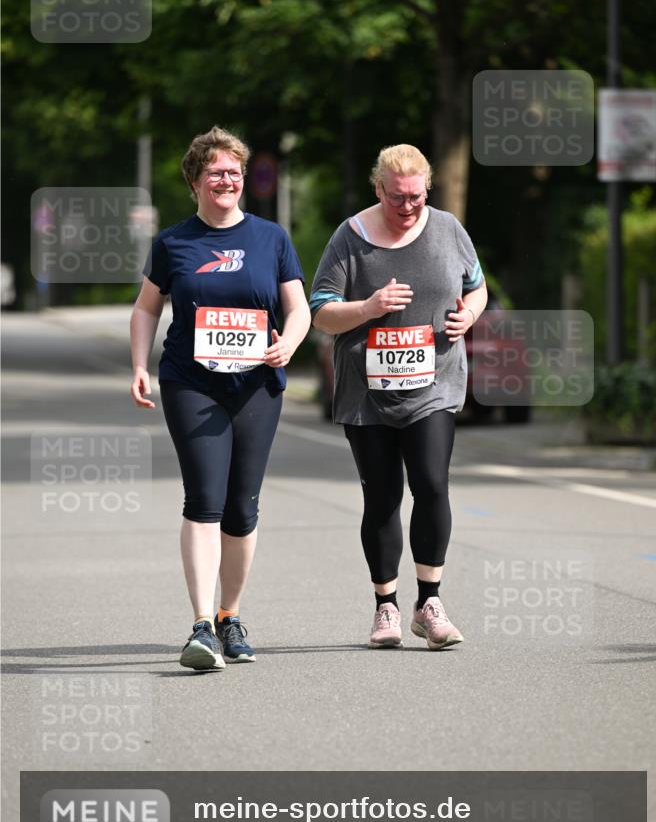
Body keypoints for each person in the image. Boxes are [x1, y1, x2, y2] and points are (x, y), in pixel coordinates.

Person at [130, 126, 311, 672]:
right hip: (193, 382)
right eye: (216, 172)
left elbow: (299, 308)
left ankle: (231, 616)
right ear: (195, 181)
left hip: (256, 385)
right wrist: (139, 365)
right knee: (204, 499)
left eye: (234, 171)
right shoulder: (174, 242)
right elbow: (146, 309)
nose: (227, 180)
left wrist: (290, 343)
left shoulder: (271, 239)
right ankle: (202, 625)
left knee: (242, 507)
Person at [310, 144, 487, 650]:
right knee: (383, 496)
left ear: (426, 188)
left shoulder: (449, 229)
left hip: (435, 384)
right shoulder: (352, 237)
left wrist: (470, 315)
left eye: (416, 196)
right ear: (378, 189)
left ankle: (429, 601)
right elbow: (320, 311)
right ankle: (385, 605)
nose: (408, 207)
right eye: (397, 198)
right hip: (368, 392)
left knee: (431, 484)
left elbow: (477, 287)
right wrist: (368, 306)